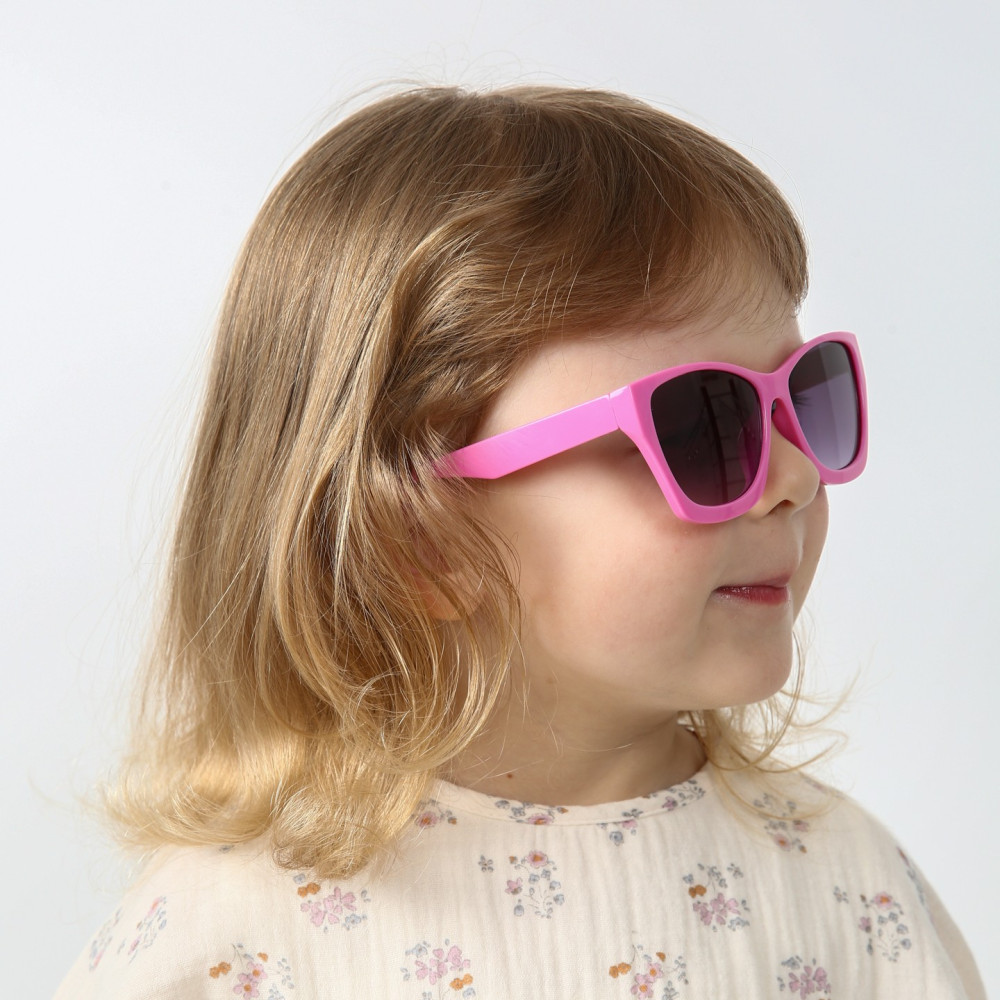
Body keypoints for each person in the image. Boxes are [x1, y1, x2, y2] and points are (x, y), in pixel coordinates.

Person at [55, 85, 985, 999]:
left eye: (805, 398)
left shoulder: (843, 888)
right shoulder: (239, 935)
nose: (796, 477)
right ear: (420, 537)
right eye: (703, 425)